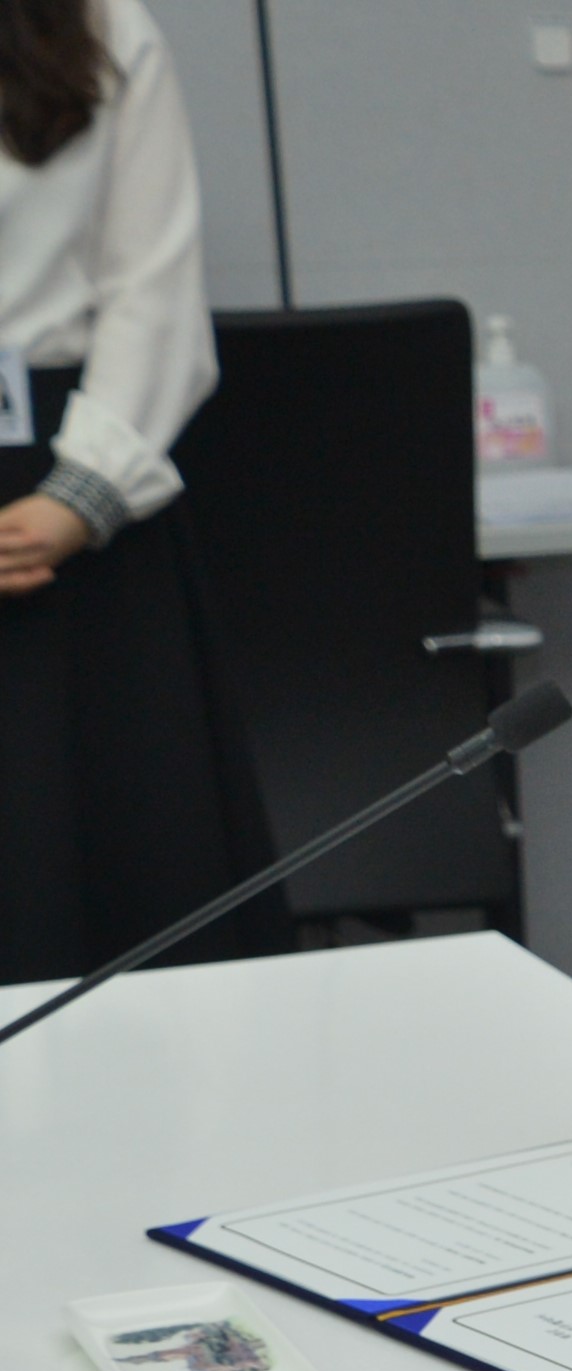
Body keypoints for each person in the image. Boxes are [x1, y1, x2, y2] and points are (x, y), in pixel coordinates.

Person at [0, 0, 282, 981]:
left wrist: (82, 496)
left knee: (117, 884)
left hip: (64, 495)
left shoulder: (100, 25)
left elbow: (153, 284)